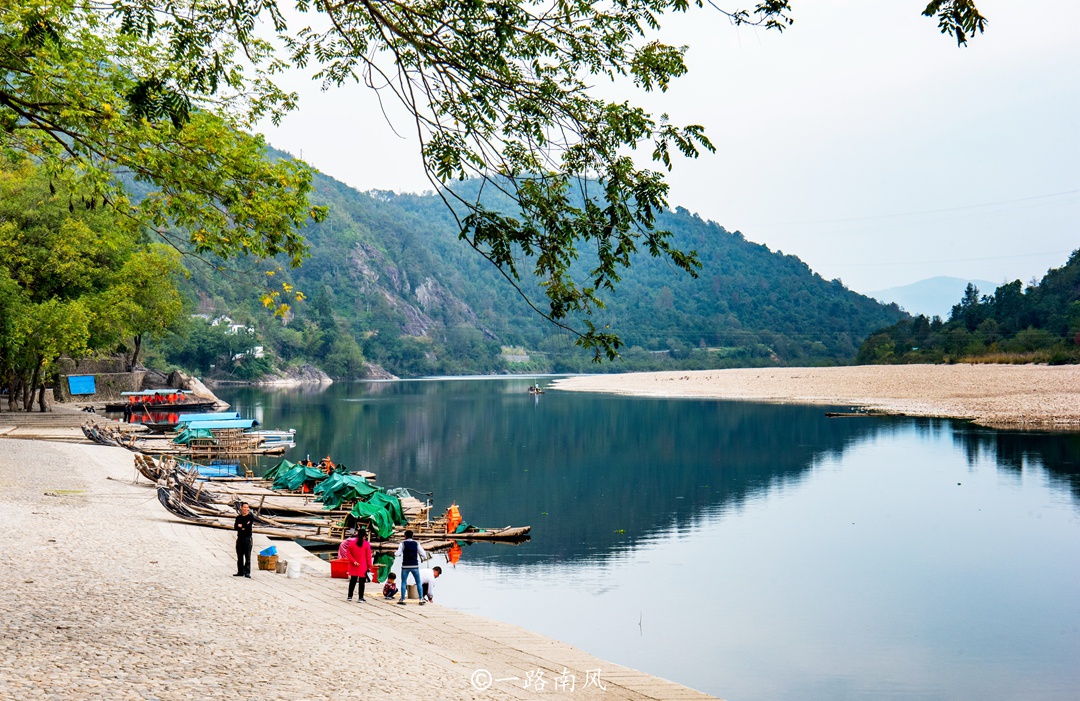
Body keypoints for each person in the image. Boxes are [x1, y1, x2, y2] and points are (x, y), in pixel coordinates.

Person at [394, 530, 428, 605]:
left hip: (405, 565)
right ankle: (421, 599)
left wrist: (395, 552)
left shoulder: (402, 544)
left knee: (403, 582)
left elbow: (398, 554)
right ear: (412, 536)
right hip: (415, 565)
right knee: (418, 582)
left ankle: (402, 599)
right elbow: (423, 554)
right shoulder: (416, 544)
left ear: (405, 536)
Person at [343, 527, 374, 602]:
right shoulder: (366, 544)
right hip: (363, 565)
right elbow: (368, 557)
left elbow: (348, 553)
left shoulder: (352, 543)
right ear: (364, 536)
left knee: (352, 581)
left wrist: (353, 561)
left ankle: (350, 596)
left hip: (354, 565)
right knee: (362, 582)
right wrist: (370, 566)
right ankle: (360, 597)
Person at [233, 502, 254, 578]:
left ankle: (247, 572)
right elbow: (235, 527)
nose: (245, 509)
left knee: (247, 556)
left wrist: (242, 526)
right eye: (244, 507)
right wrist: (243, 527)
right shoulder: (238, 517)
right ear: (241, 508)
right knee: (239, 555)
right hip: (240, 538)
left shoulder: (250, 517)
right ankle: (240, 571)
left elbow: (248, 527)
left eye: (247, 507)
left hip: (247, 538)